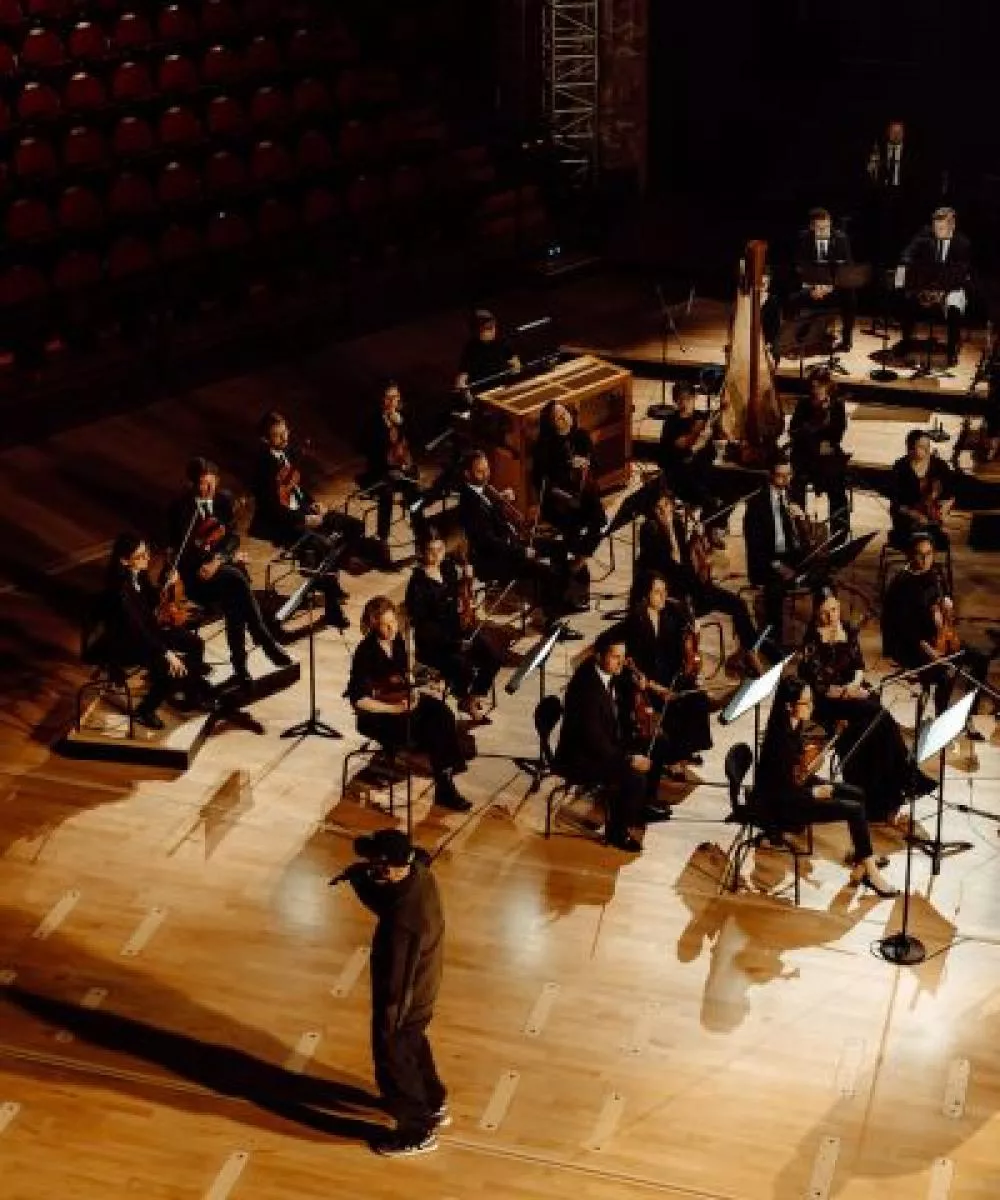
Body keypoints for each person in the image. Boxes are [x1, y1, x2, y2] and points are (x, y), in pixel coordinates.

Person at [337, 828, 449, 1157]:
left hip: (404, 999)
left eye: (376, 864)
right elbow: (390, 894)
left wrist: (388, 1027)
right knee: (414, 1042)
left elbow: (397, 982)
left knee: (395, 1055)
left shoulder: (404, 921)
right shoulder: (420, 873)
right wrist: (361, 879)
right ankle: (432, 1101)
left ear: (391, 867)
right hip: (425, 989)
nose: (371, 868)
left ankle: (417, 1130)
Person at [799, 586, 936, 823]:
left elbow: (859, 666)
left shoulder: (848, 630)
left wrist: (855, 685)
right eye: (824, 613)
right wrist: (847, 693)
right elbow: (819, 686)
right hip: (829, 702)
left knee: (877, 729)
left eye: (834, 610)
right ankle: (905, 776)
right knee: (880, 716)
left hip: (852, 692)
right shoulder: (812, 641)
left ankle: (884, 799)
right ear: (816, 614)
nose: (831, 617)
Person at [755, 677, 898, 896]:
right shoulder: (778, 741)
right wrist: (815, 791)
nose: (811, 707)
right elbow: (780, 793)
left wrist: (812, 766)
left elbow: (795, 772)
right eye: (806, 702)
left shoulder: (791, 724)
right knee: (854, 809)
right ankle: (871, 872)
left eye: (811, 701)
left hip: (796, 790)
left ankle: (861, 855)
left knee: (857, 793)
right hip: (785, 807)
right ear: (788, 705)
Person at [167, 457, 291, 684]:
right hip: (196, 578)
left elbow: (232, 537)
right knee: (237, 579)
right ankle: (263, 638)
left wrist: (219, 559)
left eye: (213, 482)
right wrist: (212, 561)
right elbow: (181, 552)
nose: (210, 488)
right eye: (204, 483)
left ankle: (241, 668)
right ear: (192, 484)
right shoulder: (181, 508)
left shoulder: (223, 500)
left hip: (220, 569)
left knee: (235, 599)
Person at [346, 596, 472, 811]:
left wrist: (425, 685)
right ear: (374, 623)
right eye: (386, 625)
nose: (392, 628)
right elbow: (359, 700)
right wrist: (393, 709)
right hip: (379, 715)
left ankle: (447, 771)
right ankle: (445, 786)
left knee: (442, 712)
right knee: (433, 729)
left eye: (393, 622)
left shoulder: (397, 642)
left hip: (401, 701)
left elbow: (404, 678)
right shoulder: (365, 653)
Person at [555, 627, 670, 853]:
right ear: (598, 656)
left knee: (658, 744)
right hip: (581, 757)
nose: (621, 663)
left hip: (606, 742)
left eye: (622, 657)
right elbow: (594, 742)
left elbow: (621, 692)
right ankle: (617, 832)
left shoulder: (606, 672)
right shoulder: (586, 690)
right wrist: (628, 759)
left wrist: (640, 686)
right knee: (633, 775)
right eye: (615, 657)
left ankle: (640, 807)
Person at [457, 448, 586, 635]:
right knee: (547, 572)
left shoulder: (480, 489)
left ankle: (562, 599)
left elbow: (493, 519)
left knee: (559, 548)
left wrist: (501, 501)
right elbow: (489, 541)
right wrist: (521, 552)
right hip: (494, 559)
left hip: (511, 545)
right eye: (480, 471)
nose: (486, 475)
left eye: (487, 469)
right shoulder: (468, 503)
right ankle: (551, 622)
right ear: (467, 474)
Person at [249, 410, 358, 629]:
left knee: (353, 527)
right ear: (265, 439)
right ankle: (332, 609)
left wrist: (315, 503)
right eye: (277, 436)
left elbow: (296, 489)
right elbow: (272, 508)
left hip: (302, 511)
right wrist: (304, 518)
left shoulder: (288, 452)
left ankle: (327, 575)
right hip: (281, 522)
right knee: (324, 545)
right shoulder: (262, 466)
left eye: (285, 431)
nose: (285, 438)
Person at [636, 490, 761, 674]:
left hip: (695, 588)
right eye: (658, 508)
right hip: (672, 596)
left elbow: (689, 562)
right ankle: (689, 671)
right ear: (652, 511)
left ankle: (748, 652)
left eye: (667, 506)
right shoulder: (650, 532)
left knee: (739, 604)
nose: (664, 511)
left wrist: (697, 538)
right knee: (685, 629)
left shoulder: (677, 524)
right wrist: (670, 532)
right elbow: (672, 565)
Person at [100, 532, 211, 730]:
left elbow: (151, 601)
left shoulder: (139, 575)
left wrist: (167, 584)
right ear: (125, 561)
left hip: (148, 632)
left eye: (146, 553)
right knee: (168, 667)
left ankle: (190, 693)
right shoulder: (119, 590)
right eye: (141, 556)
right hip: (127, 643)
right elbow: (138, 631)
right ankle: (145, 710)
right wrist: (167, 653)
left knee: (195, 644)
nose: (148, 558)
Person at [881, 534, 990, 734]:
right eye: (919, 555)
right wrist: (930, 651)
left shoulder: (936, 573)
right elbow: (904, 630)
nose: (925, 560)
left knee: (981, 660)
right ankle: (941, 723)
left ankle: (968, 716)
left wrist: (948, 601)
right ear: (909, 556)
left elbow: (945, 596)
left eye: (929, 554)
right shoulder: (902, 585)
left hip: (942, 637)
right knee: (945, 674)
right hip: (913, 645)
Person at [622, 570, 713, 780]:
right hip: (648, 683)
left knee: (697, 698)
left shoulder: (670, 612)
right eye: (657, 592)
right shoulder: (636, 621)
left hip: (670, 676)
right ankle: (672, 759)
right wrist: (658, 688)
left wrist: (693, 626)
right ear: (645, 595)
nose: (663, 597)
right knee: (673, 705)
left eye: (665, 591)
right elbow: (633, 666)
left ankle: (684, 751)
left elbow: (687, 638)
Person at [404, 528, 502, 721]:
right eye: (431, 550)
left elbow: (457, 595)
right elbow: (425, 630)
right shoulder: (418, 585)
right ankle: (463, 696)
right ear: (422, 552)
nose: (437, 555)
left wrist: (467, 582)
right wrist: (456, 645)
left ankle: (472, 697)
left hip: (458, 631)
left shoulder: (447, 568)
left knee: (494, 656)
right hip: (435, 645)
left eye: (440, 549)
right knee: (462, 667)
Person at [742, 456, 809, 651]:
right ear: (771, 476)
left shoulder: (794, 496)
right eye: (780, 477)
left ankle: (813, 638)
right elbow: (755, 547)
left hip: (791, 555)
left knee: (823, 579)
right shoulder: (756, 504)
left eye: (789, 476)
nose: (786, 482)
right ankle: (775, 643)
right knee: (776, 589)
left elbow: (804, 541)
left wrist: (801, 518)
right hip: (766, 560)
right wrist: (778, 566)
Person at [531, 400, 607, 561]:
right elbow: (541, 481)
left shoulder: (581, 436)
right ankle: (566, 559)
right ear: (551, 424)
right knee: (573, 526)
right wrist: (568, 466)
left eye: (565, 413)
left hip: (583, 495)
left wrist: (588, 462)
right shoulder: (545, 447)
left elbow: (599, 465)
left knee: (599, 521)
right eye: (559, 418)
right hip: (559, 501)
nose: (565, 419)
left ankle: (579, 560)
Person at [360, 381, 427, 566]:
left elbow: (419, 439)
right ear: (382, 399)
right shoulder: (373, 421)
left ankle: (422, 539)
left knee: (415, 494)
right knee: (386, 495)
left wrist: (402, 424)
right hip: (381, 470)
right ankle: (383, 540)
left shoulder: (404, 416)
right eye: (388, 398)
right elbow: (368, 449)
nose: (392, 402)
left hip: (403, 467)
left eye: (395, 397)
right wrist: (388, 463)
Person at [899, 206, 971, 366]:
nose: (937, 231)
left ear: (952, 226)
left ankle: (951, 350)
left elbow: (959, 274)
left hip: (951, 287)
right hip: (927, 284)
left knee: (954, 306)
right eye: (935, 227)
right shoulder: (925, 235)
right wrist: (905, 264)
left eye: (941, 228)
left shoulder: (962, 243)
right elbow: (908, 252)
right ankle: (906, 341)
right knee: (907, 299)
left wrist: (941, 293)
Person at [788, 367, 851, 546]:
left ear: (827, 387)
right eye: (813, 386)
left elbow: (837, 434)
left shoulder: (836, 406)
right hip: (805, 454)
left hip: (826, 455)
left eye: (820, 387)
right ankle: (799, 530)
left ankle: (839, 534)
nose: (816, 390)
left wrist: (825, 440)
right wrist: (814, 426)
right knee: (795, 485)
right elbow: (794, 431)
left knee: (837, 488)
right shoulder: (804, 405)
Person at [791, 208, 856, 353]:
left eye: (827, 227)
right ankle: (794, 336)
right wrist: (813, 286)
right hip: (812, 285)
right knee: (791, 295)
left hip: (834, 286)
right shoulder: (803, 238)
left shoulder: (841, 238)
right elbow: (799, 266)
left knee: (850, 294)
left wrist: (831, 286)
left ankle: (846, 339)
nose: (824, 232)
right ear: (811, 227)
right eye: (820, 228)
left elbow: (848, 267)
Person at [889, 428, 956, 550]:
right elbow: (896, 502)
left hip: (931, 521)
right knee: (918, 542)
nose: (927, 450)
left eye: (928, 446)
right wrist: (914, 514)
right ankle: (919, 562)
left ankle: (924, 562)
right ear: (910, 448)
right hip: (906, 522)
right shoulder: (900, 467)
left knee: (936, 540)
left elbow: (951, 493)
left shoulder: (940, 465)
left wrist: (945, 509)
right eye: (921, 446)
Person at [454, 309, 520, 407]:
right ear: (477, 331)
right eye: (488, 328)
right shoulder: (470, 348)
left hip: (504, 390)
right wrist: (466, 394)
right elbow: (461, 378)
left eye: (493, 327)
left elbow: (516, 363)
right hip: (484, 394)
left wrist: (515, 372)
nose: (493, 331)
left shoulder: (501, 341)